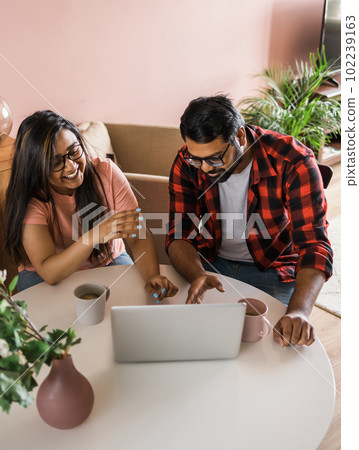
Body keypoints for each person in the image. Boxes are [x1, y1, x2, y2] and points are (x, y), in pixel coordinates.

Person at [166, 95, 333, 347]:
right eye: (196, 159)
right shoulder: (187, 162)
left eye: (214, 159)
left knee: (277, 346)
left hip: (274, 268)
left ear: (240, 137)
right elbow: (179, 233)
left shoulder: (292, 160)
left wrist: (299, 311)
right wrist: (197, 275)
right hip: (212, 264)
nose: (205, 170)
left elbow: (314, 245)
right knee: (189, 338)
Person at [4, 110, 178, 300]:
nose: (71, 166)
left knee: (136, 307)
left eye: (74, 151)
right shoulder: (33, 198)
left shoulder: (106, 172)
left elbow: (137, 235)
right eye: (56, 162)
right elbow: (49, 272)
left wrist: (153, 276)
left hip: (107, 260)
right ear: (36, 167)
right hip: (44, 273)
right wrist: (94, 236)